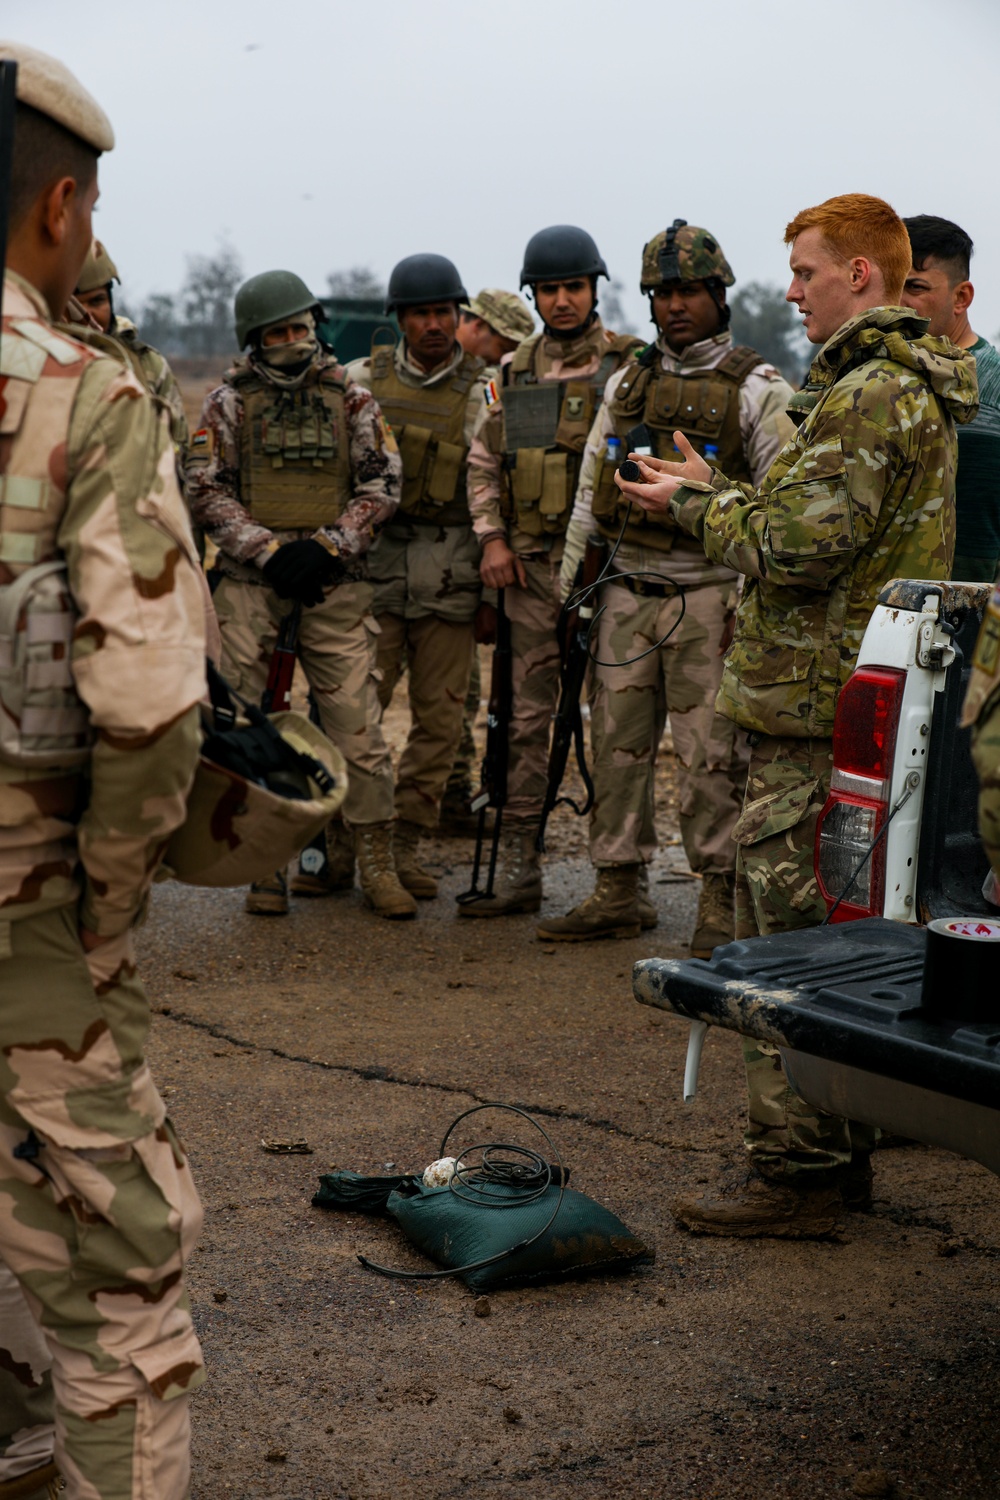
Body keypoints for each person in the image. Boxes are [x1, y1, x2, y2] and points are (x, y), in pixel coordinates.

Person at [614, 193, 978, 1237]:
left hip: (814, 711)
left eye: (808, 272)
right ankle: (831, 1148)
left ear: (859, 277)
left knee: (790, 942)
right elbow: (816, 520)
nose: (792, 291)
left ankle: (801, 1172)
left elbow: (794, 544)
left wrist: (690, 504)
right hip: (836, 703)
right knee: (828, 932)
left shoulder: (868, 394)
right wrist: (719, 484)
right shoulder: (896, 389)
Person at [0, 39, 208, 1498]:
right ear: (61, 206)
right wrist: (106, 907)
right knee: (122, 1301)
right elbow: (145, 708)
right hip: (29, 939)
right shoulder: (84, 399)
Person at [538, 221, 794, 951]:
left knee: (712, 757)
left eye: (688, 291)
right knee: (617, 746)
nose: (674, 306)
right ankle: (618, 887)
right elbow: (592, 492)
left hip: (712, 593)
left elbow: (777, 509)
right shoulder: (628, 382)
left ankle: (718, 899)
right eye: (661, 293)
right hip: (626, 591)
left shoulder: (759, 389)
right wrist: (570, 592)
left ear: (719, 294)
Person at [185, 270, 415, 919]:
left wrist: (329, 545)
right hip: (253, 588)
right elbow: (206, 489)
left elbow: (382, 485)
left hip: (332, 586)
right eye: (277, 332)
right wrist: (267, 549)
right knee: (253, 728)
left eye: (299, 328)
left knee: (358, 728)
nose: (292, 341)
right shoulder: (226, 404)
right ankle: (266, 863)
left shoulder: (354, 401)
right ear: (255, 339)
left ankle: (374, 858)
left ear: (315, 328)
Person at [461, 225, 642, 916]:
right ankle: (518, 865)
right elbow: (483, 464)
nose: (562, 300)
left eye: (573, 287)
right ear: (533, 294)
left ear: (594, 288)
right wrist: (492, 540)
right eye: (549, 289)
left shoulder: (631, 365)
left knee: (619, 726)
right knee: (522, 718)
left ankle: (624, 877)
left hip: (613, 572)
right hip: (531, 573)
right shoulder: (511, 373)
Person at [345, 255, 493, 897]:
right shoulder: (358, 381)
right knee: (354, 714)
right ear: (400, 319)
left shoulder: (489, 390)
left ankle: (404, 844)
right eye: (420, 313)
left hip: (452, 573)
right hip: (371, 571)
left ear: (459, 317)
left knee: (440, 724)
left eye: (444, 313)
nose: (434, 324)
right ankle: (347, 841)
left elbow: (499, 489)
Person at [443, 287, 535, 836]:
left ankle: (461, 794)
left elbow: (490, 474)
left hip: (479, 551)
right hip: (457, 550)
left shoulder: (493, 386)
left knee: (467, 693)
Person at [901, 215, 1000, 584]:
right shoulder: (874, 380)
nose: (899, 300)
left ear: (961, 297)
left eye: (915, 287)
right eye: (892, 283)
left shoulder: (993, 385)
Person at [73, 238, 189, 457]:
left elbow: (179, 445)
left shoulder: (149, 366)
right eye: (76, 305)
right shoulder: (37, 361)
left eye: (97, 301)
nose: (88, 314)